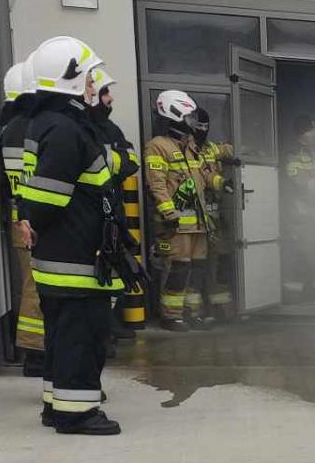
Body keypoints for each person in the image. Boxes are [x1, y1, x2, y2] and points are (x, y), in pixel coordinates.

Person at [17, 35, 128, 435]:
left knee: (65, 337)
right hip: (74, 258)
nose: (95, 87)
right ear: (72, 80)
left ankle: (57, 404)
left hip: (67, 255)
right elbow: (48, 200)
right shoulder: (65, 129)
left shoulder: (55, 123)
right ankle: (75, 413)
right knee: (81, 337)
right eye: (90, 79)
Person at [86, 67, 147, 338]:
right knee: (95, 269)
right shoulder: (81, 128)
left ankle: (110, 324)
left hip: (112, 209)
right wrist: (114, 162)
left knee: (113, 266)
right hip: (91, 211)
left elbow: (131, 160)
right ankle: (102, 329)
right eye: (104, 93)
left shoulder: (111, 129)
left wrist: (111, 163)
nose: (110, 98)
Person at [0, 61, 47, 376]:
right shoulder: (36, 127)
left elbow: (4, 183)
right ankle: (36, 353)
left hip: (20, 217)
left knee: (31, 284)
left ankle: (35, 350)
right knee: (37, 287)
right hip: (39, 218)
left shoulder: (9, 131)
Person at [144, 90, 207, 331]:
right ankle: (171, 316)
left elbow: (201, 178)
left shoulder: (189, 146)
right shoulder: (157, 146)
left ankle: (192, 313)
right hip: (176, 224)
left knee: (197, 269)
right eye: (190, 116)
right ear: (175, 114)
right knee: (178, 269)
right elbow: (157, 184)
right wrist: (169, 214)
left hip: (198, 223)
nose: (193, 122)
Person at [191, 107, 238, 324]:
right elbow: (203, 175)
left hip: (216, 216)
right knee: (199, 264)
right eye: (198, 126)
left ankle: (219, 309)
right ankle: (197, 311)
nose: (203, 130)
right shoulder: (187, 150)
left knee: (219, 261)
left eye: (205, 126)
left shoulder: (211, 148)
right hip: (196, 216)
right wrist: (221, 182)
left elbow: (230, 150)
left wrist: (247, 152)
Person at [283, 115, 315, 301]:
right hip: (301, 216)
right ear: (302, 133)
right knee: (303, 253)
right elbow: (301, 183)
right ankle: (297, 298)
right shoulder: (293, 154)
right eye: (312, 129)